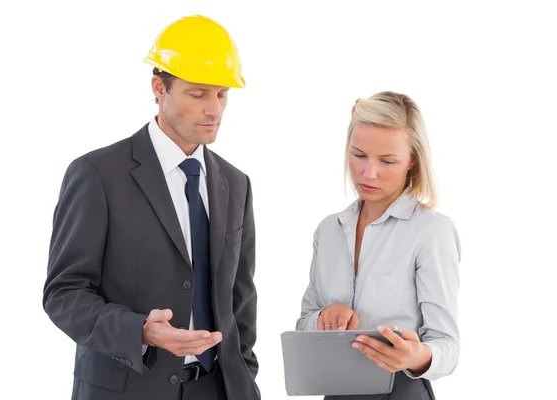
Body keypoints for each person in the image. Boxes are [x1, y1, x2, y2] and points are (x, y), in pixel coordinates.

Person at [42, 15, 260, 400]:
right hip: (129, 388)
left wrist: (244, 376)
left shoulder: (235, 183)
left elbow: (240, 297)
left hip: (218, 389)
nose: (215, 110)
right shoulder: (97, 174)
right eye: (198, 94)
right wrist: (139, 330)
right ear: (160, 87)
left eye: (222, 94)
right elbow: (64, 293)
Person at [296, 91, 461, 399]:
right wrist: (323, 317)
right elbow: (304, 322)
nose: (368, 173)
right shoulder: (329, 231)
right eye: (359, 155)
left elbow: (447, 345)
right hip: (334, 390)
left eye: (387, 161)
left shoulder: (431, 231)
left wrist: (416, 355)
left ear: (412, 161)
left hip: (402, 391)